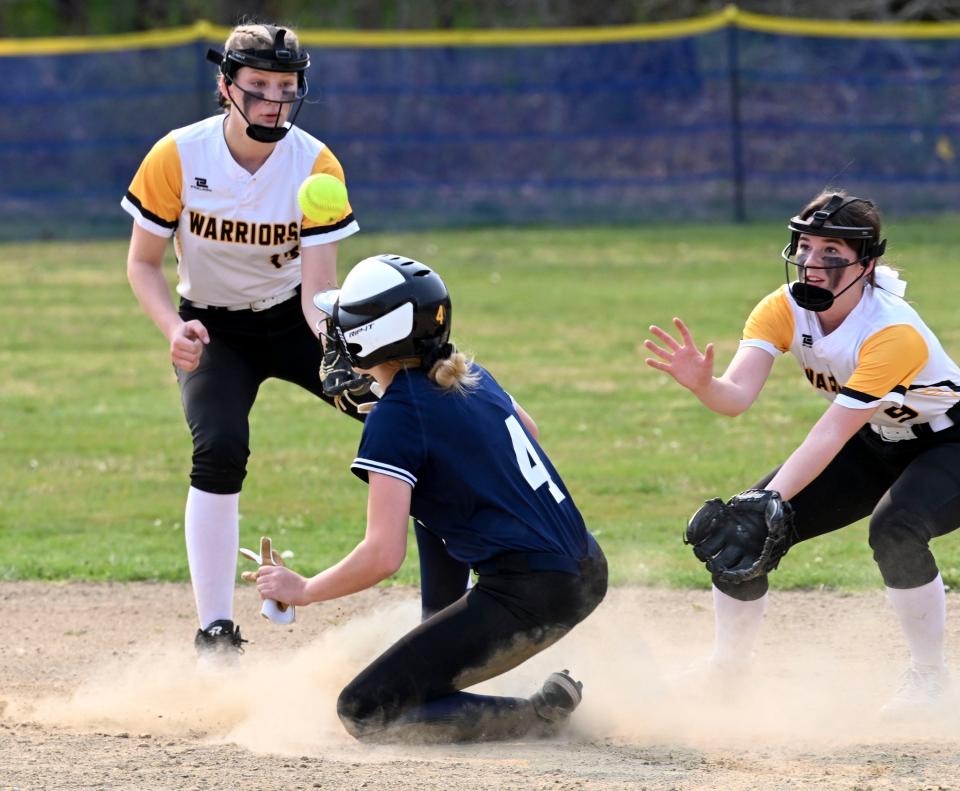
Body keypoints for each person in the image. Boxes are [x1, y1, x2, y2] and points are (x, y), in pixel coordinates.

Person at [254, 253, 608, 742]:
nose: (336, 337)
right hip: (586, 565)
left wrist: (304, 590)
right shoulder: (465, 374)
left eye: (346, 325)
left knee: (364, 709)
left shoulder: (396, 418)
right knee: (431, 497)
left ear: (374, 336)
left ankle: (536, 719)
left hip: (535, 593)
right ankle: (437, 626)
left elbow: (382, 555)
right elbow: (529, 429)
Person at [644, 190, 960, 715]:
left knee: (894, 528)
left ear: (867, 263)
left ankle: (932, 678)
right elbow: (737, 398)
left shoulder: (893, 331)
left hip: (948, 440)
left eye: (831, 253)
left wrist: (766, 502)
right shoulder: (782, 307)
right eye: (807, 247)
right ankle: (728, 671)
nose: (813, 263)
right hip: (876, 438)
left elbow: (830, 434)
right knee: (737, 539)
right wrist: (704, 385)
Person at [122, 22, 377, 657]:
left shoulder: (315, 165)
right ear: (225, 85)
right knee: (220, 445)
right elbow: (143, 264)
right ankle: (214, 631)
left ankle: (457, 591)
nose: (272, 100)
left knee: (404, 416)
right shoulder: (178, 156)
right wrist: (173, 329)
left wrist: (343, 357)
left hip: (295, 320)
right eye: (257, 85)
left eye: (285, 87)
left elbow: (319, 289)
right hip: (213, 326)